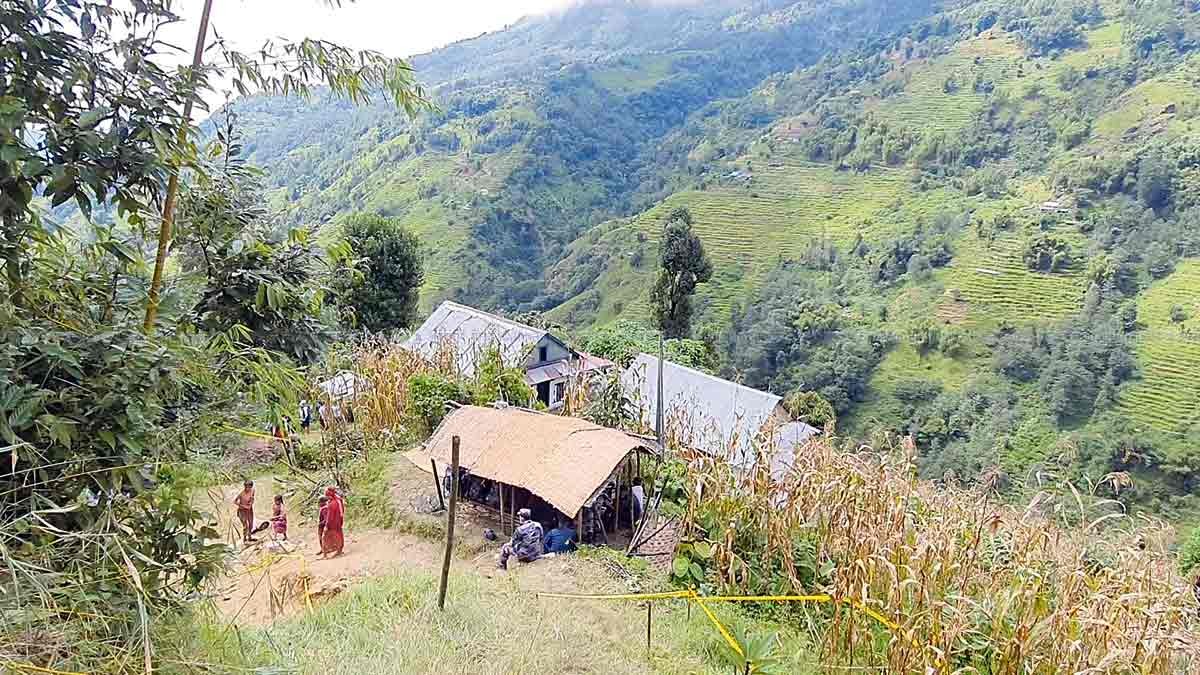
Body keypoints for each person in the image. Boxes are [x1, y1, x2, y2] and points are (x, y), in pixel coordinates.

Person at [320, 485, 345, 558]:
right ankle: (339, 550)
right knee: (339, 535)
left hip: (332, 524)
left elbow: (329, 517)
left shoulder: (331, 504)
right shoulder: (338, 500)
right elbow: (342, 511)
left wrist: (327, 526)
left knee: (326, 537)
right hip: (339, 521)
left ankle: (326, 553)